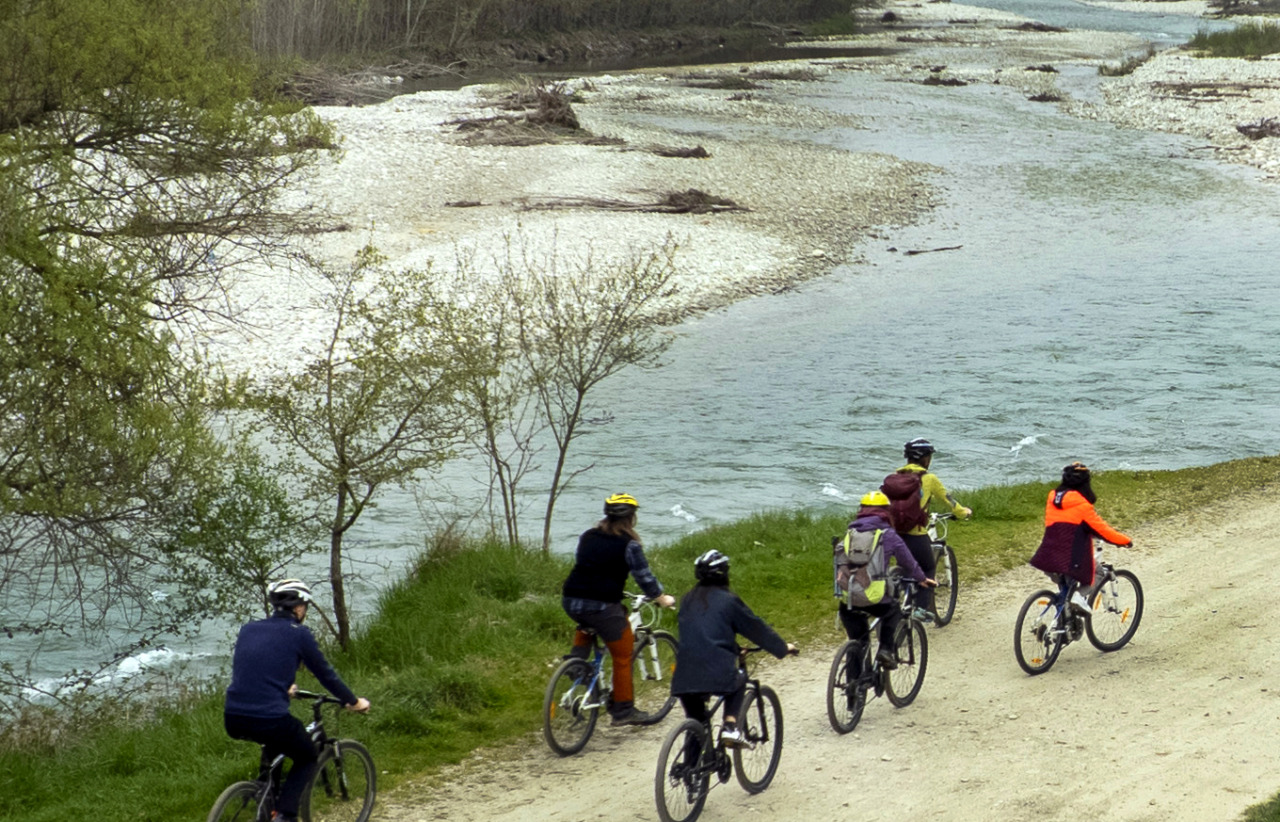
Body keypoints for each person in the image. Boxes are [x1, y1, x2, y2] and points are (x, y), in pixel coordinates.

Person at [223, 579, 370, 822]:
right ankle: (285, 815)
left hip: (233, 716)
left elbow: (253, 666)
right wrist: (353, 701)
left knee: (275, 743)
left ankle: (266, 800)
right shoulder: (299, 634)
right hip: (269, 718)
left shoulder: (248, 629)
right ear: (299, 608)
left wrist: (283, 686)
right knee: (307, 756)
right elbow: (326, 674)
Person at [561, 493, 676, 726]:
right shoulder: (629, 544)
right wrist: (661, 597)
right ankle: (623, 711)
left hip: (571, 600)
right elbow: (644, 577)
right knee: (623, 654)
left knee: (591, 621)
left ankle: (576, 663)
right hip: (602, 604)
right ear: (631, 518)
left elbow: (592, 568)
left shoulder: (588, 536)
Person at [669, 550, 797, 748]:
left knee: (698, 723)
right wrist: (782, 648)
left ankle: (691, 766)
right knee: (739, 679)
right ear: (724, 573)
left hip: (683, 675)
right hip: (715, 672)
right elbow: (756, 629)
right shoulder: (728, 601)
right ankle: (730, 726)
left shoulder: (687, 600)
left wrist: (735, 648)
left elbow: (704, 633)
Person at [836, 491, 935, 670]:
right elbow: (907, 561)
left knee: (858, 642)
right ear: (886, 511)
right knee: (893, 611)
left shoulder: (850, 533)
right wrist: (921, 578)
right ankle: (886, 650)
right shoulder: (888, 534)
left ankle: (854, 685)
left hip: (848, 599)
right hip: (875, 599)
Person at [1029, 462, 1133, 612]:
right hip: (1070, 560)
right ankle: (1079, 597)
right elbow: (1103, 530)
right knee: (1098, 573)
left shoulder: (1052, 498)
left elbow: (1068, 524)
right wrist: (1124, 541)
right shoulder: (1083, 506)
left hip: (1047, 556)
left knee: (1065, 592)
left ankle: (1063, 619)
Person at [888, 437, 972, 621]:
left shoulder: (895, 478)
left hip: (894, 534)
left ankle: (898, 604)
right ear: (925, 459)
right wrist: (963, 512)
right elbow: (949, 500)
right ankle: (920, 608)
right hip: (916, 534)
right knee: (928, 567)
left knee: (905, 569)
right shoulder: (929, 479)